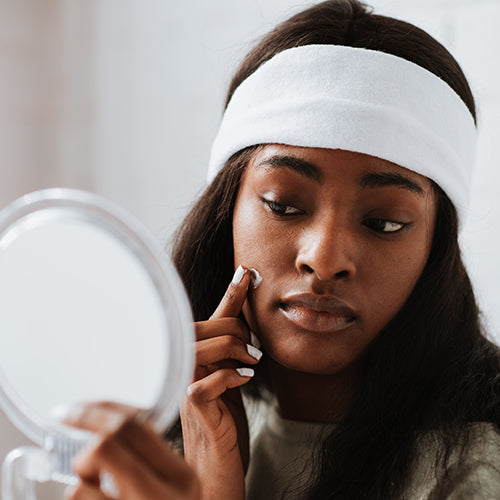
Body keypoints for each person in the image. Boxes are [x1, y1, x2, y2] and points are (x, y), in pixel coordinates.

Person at [64, 1, 500, 499]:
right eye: (284, 205)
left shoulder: (473, 470)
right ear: (226, 209)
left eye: (383, 222)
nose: (325, 258)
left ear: (435, 251)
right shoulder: (164, 446)